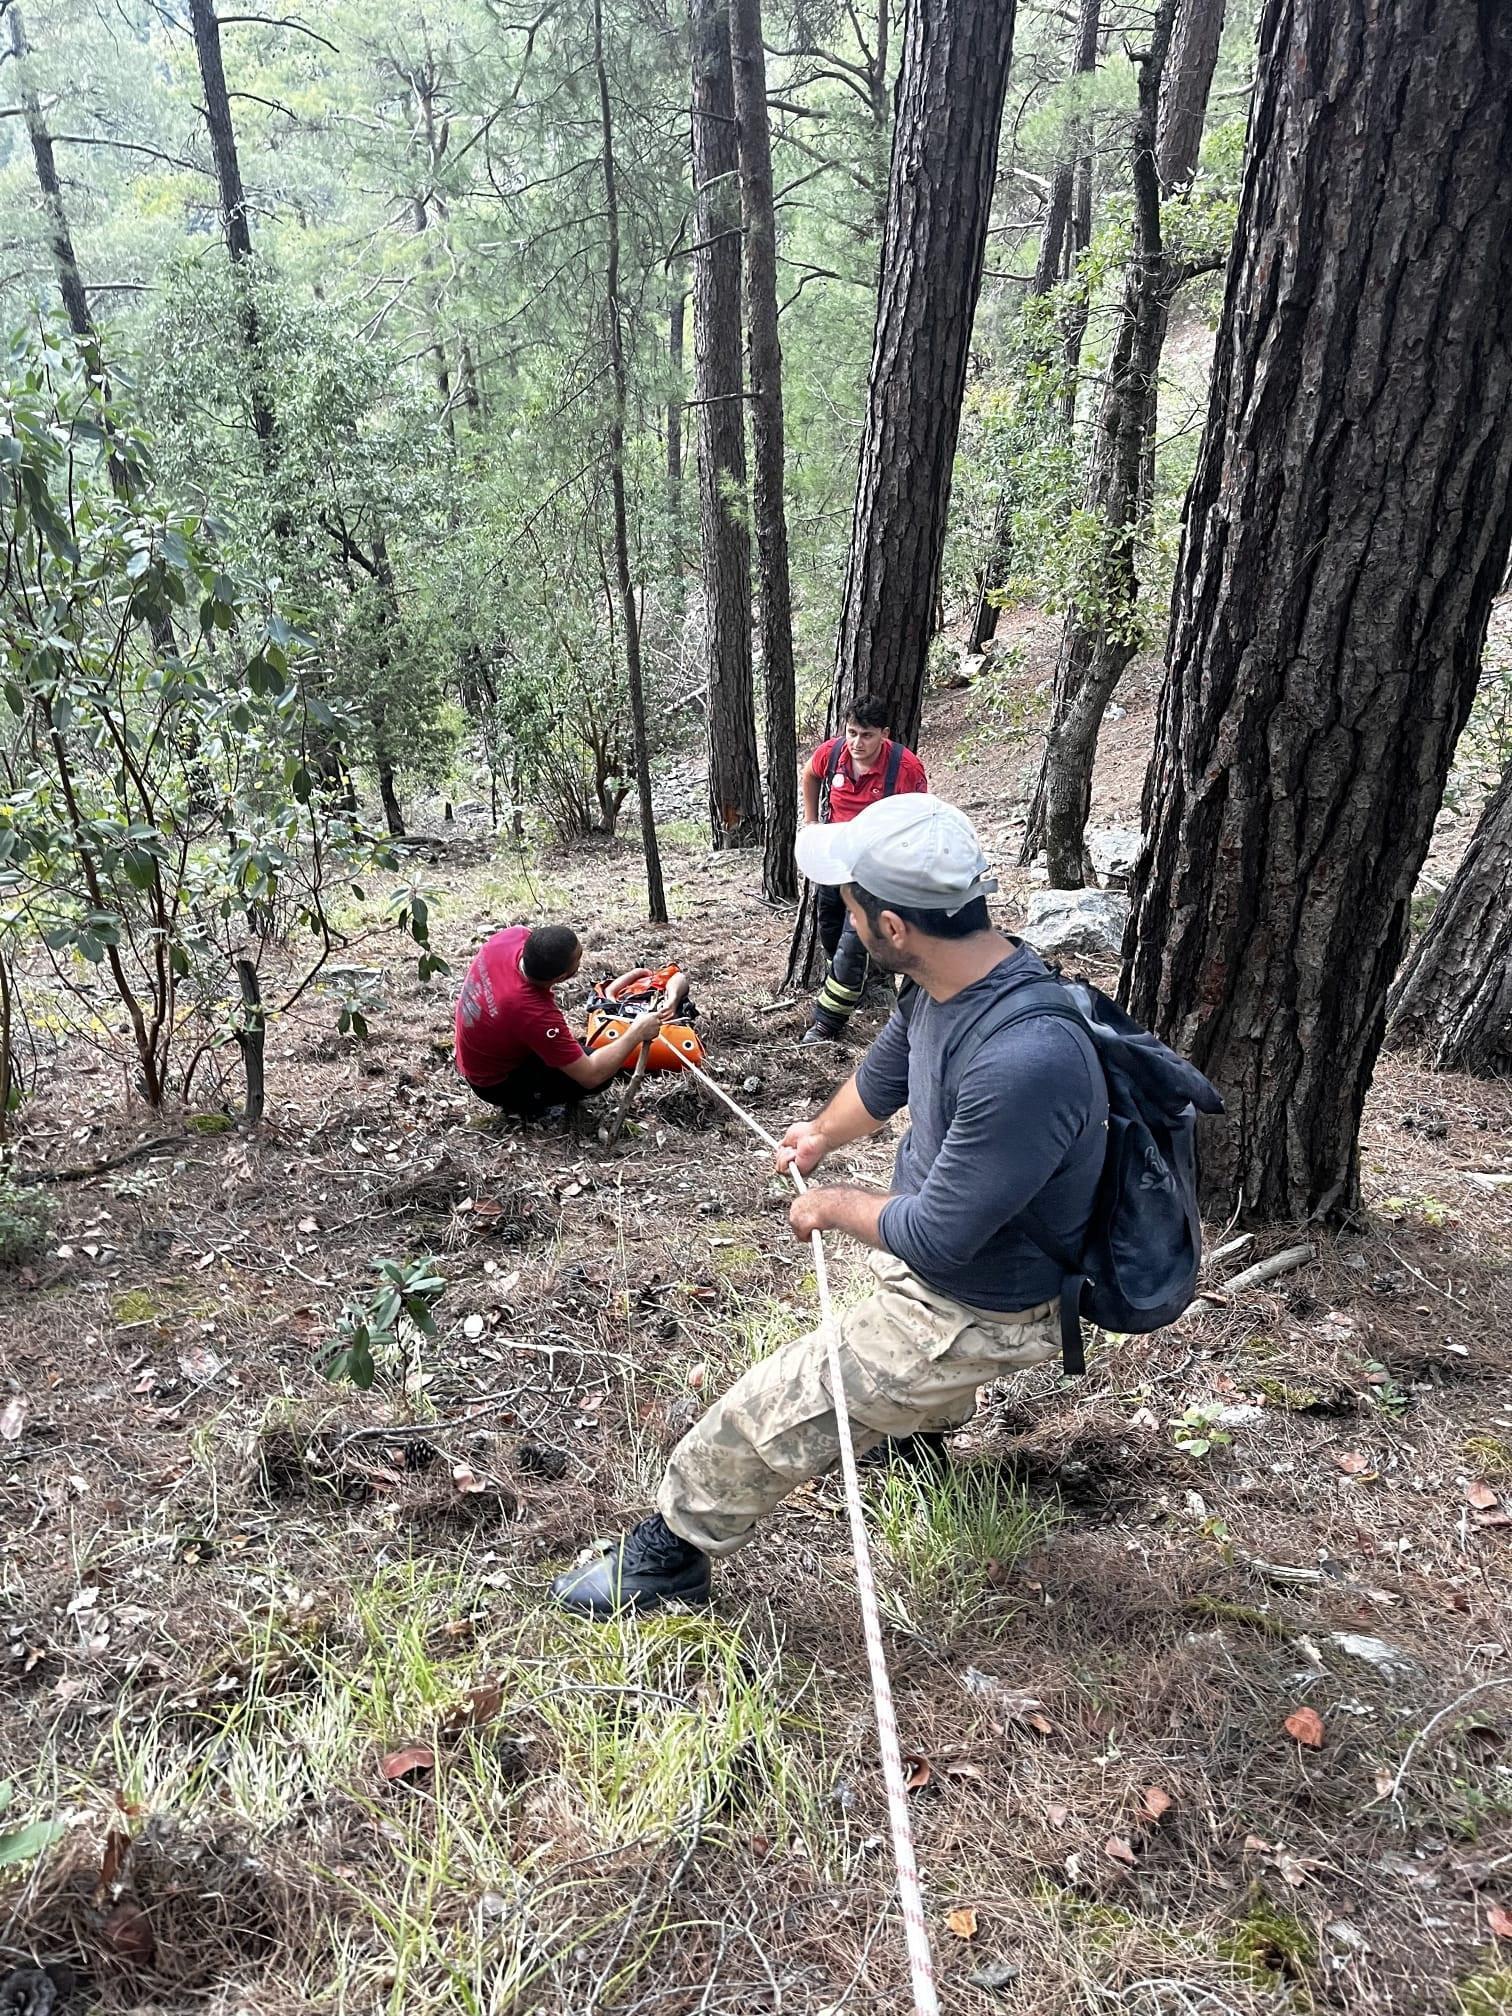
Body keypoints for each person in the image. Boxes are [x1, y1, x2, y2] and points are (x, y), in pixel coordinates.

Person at [552, 795, 1110, 1616]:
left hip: (981, 1303)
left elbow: (940, 1234)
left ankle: (669, 1555)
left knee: (771, 1407)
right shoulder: (950, 982)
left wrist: (833, 1204)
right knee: (884, 1340)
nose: (843, 919)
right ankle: (911, 1440)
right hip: (952, 1267)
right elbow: (885, 1075)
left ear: (892, 927)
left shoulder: (1026, 1057)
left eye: (850, 907)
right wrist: (818, 1134)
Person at [799, 694, 927, 1045]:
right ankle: (850, 983)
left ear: (884, 734)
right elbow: (810, 774)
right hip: (835, 857)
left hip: (876, 867)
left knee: (852, 941)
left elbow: (919, 817)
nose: (857, 743)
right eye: (852, 732)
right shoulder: (832, 754)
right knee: (828, 926)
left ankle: (826, 1023)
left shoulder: (905, 768)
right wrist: (811, 821)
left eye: (867, 735)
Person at [454, 923, 671, 1118]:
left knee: (582, 1055)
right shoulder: (534, 1013)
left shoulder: (511, 936)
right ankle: (529, 1104)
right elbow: (591, 1075)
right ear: (561, 977)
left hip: (480, 1050)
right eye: (579, 958)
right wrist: (637, 1032)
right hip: (493, 1082)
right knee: (601, 1076)